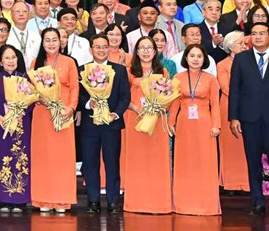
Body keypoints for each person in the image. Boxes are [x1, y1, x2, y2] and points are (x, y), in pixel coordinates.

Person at [79, 34, 130, 214]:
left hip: (111, 124)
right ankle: (93, 201)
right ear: (90, 49)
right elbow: (78, 96)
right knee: (90, 163)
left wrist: (116, 113)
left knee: (112, 163)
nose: (101, 50)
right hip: (90, 124)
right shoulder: (82, 70)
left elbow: (125, 96)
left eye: (104, 47)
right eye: (97, 47)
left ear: (109, 48)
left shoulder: (119, 70)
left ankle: (113, 201)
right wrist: (88, 104)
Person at [30, 27, 79, 213]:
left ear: (61, 42)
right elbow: (30, 88)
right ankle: (43, 198)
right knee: (43, 157)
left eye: (54, 40)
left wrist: (71, 108)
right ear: (42, 43)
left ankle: (62, 200)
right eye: (47, 40)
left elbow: (75, 88)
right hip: (42, 114)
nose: (51, 43)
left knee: (62, 157)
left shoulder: (69, 62)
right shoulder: (35, 63)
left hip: (63, 114)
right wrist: (38, 98)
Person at [122, 36, 173, 214]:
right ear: (136, 51)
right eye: (142, 48)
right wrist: (136, 108)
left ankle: (159, 202)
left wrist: (158, 108)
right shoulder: (129, 71)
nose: (145, 51)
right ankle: (136, 202)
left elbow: (169, 97)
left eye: (149, 48)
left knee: (156, 159)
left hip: (157, 120)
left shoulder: (163, 71)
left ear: (155, 51)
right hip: (135, 118)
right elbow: (123, 96)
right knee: (137, 159)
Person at [169, 44, 221, 215]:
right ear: (186, 58)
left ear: (204, 59)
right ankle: (183, 203)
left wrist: (216, 125)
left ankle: (206, 203)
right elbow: (174, 102)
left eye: (199, 56)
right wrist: (171, 122)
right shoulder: (177, 78)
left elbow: (215, 104)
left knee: (205, 161)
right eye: (192, 56)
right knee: (185, 161)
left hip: (205, 123)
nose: (195, 59)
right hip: (184, 123)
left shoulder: (211, 79)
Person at [229, 22, 269, 216]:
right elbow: (235, 89)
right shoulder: (241, 59)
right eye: (254, 33)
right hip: (249, 118)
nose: (257, 37)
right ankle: (257, 201)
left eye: (262, 33)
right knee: (253, 161)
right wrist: (234, 117)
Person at [0, 44, 33, 213]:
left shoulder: (25, 78)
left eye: (13, 57)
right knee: (1, 159)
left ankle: (19, 199)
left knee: (20, 159)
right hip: (0, 125)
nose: (11, 61)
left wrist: (22, 112)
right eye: (7, 58)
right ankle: (2, 199)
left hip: (21, 125)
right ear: (0, 61)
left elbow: (32, 100)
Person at [216, 31, 249, 195]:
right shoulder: (222, 65)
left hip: (249, 108)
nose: (245, 46)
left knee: (247, 146)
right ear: (230, 46)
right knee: (229, 147)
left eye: (245, 43)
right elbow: (225, 87)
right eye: (241, 43)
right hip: (229, 107)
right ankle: (230, 183)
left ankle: (246, 182)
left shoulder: (251, 62)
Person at [199, 0, 227, 64]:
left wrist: (223, 45)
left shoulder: (227, 28)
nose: (214, 12)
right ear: (203, 12)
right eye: (210, 9)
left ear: (220, 13)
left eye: (217, 10)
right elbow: (197, 49)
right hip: (204, 64)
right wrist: (213, 43)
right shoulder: (197, 29)